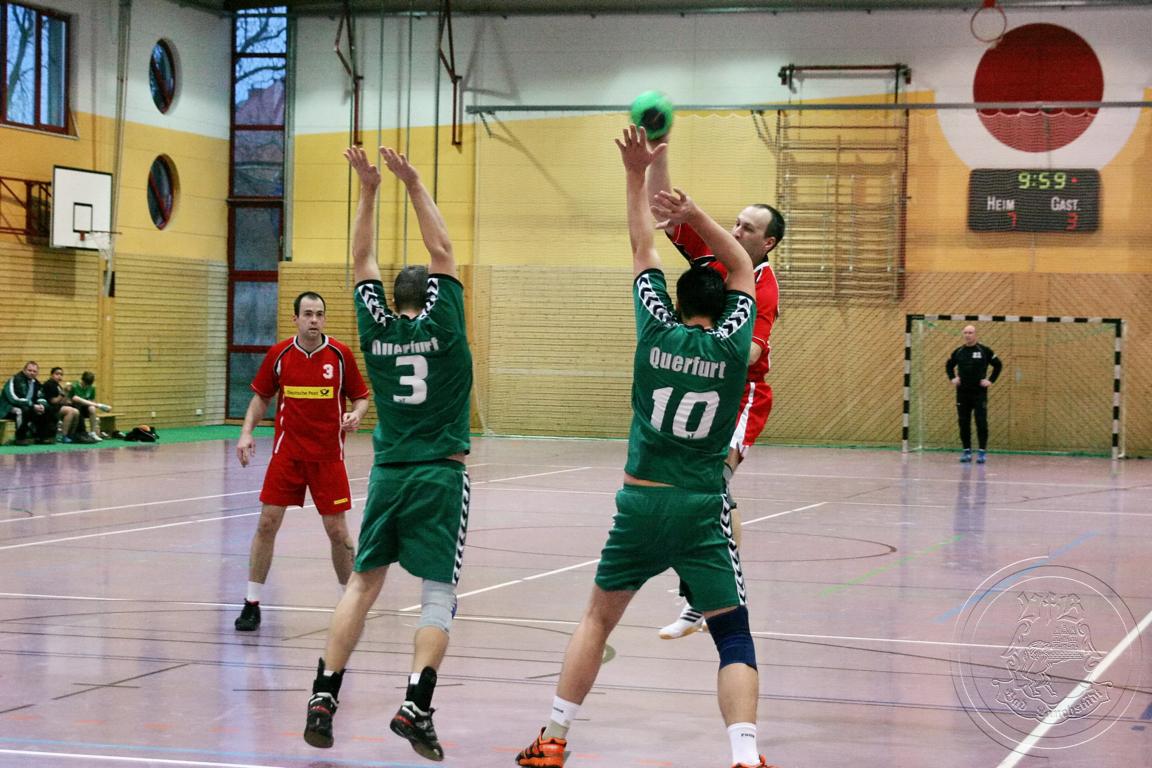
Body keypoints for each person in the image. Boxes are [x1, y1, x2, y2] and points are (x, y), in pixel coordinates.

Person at [516, 125, 775, 768]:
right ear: (727, 308)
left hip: (640, 502)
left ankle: (553, 739)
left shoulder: (654, 330)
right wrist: (697, 215)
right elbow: (743, 267)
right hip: (700, 508)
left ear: (676, 301)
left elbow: (641, 246)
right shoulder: (733, 346)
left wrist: (636, 174)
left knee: (596, 620)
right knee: (733, 636)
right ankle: (745, 755)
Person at [302, 144, 474, 763]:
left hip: (389, 474)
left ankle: (324, 695)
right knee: (438, 593)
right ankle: (416, 704)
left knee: (362, 585)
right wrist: (415, 183)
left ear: (392, 297)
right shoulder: (446, 327)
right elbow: (443, 251)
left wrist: (370, 190)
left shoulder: (374, 330)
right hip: (440, 475)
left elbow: (360, 260)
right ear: (434, 296)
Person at [646, 126, 785, 640]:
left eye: (748, 228)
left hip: (740, 396)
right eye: (737, 223)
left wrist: (698, 346)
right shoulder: (711, 257)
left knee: (713, 489)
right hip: (701, 388)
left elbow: (751, 353)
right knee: (693, 490)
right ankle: (702, 597)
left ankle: (708, 601)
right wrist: (658, 153)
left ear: (767, 243)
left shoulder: (763, 285)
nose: (738, 230)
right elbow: (664, 210)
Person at [233, 291, 371, 631]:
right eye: (308, 314)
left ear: (325, 318)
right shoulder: (280, 354)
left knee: (337, 531)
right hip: (288, 456)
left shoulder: (340, 355)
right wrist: (246, 433)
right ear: (295, 318)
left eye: (319, 314)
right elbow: (261, 398)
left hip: (327, 458)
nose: (314, 320)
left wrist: (356, 414)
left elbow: (361, 397)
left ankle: (349, 605)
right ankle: (251, 602)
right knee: (267, 523)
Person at [946, 324, 1003, 464]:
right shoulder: (959, 351)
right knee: (963, 422)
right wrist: (952, 378)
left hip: (979, 394)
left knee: (981, 421)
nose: (968, 335)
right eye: (965, 332)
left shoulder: (984, 350)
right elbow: (949, 365)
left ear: (975, 334)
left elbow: (998, 365)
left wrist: (990, 380)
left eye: (970, 332)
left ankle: (982, 452)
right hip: (962, 393)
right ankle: (966, 451)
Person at [2, 362, 56, 445]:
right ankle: (20, 438)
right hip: (7, 408)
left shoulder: (36, 383)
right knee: (22, 411)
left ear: (37, 373)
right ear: (24, 370)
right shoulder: (15, 379)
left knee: (48, 409)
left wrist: (42, 405)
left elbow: (41, 396)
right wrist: (32, 405)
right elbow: (13, 398)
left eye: (34, 371)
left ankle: (42, 437)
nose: (32, 373)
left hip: (28, 406)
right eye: (29, 370)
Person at [69, 371, 112, 443]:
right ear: (82, 380)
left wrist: (93, 404)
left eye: (88, 385)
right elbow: (73, 399)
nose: (86, 386)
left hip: (85, 408)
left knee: (92, 408)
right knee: (77, 399)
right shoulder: (74, 386)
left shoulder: (91, 388)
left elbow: (92, 401)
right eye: (85, 384)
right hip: (75, 407)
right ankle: (99, 405)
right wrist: (99, 405)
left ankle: (93, 433)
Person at [42, 367, 80, 442]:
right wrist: (63, 393)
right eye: (57, 374)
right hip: (50, 409)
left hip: (58, 407)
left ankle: (71, 435)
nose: (59, 376)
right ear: (51, 375)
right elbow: (53, 401)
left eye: (61, 374)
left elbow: (62, 401)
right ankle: (63, 436)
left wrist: (67, 393)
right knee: (70, 411)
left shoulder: (58, 386)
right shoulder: (49, 384)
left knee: (76, 411)